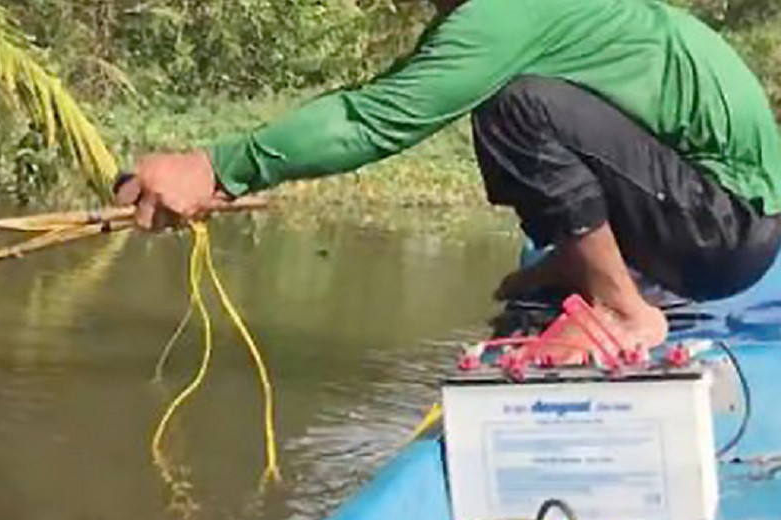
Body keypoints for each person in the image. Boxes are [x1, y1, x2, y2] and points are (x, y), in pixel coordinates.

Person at [115, 0, 781, 354]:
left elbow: (373, 119)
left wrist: (214, 167)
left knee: (514, 107)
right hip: (722, 215)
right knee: (522, 100)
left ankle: (624, 308)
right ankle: (583, 268)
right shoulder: (527, 17)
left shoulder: (502, 15)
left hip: (725, 227)